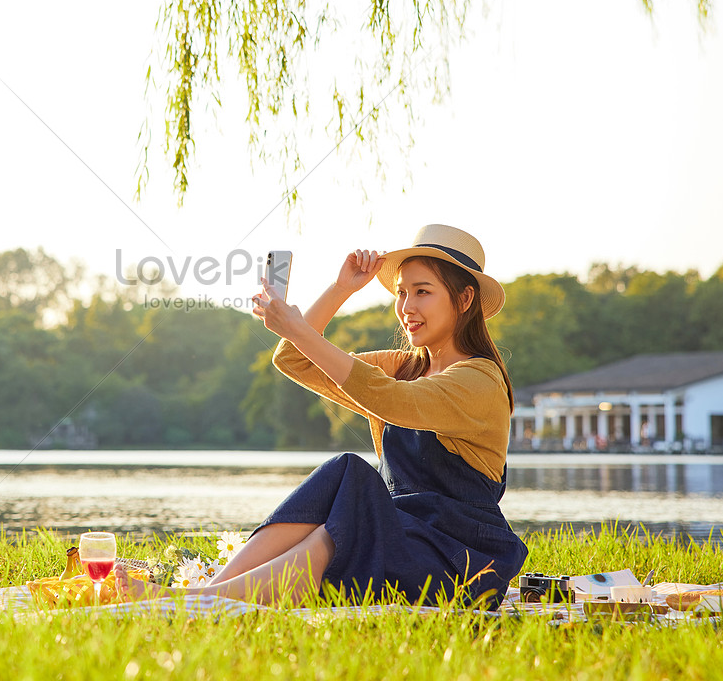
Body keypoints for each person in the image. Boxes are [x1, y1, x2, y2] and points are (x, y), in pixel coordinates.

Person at [116, 224, 528, 608]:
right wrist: (340, 289)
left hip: (460, 564)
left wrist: (297, 328)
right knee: (347, 472)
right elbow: (295, 359)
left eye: (422, 292)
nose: (406, 307)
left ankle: (202, 603)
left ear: (464, 299)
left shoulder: (479, 380)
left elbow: (397, 402)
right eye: (401, 293)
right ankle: (211, 593)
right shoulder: (404, 365)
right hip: (399, 538)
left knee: (355, 500)